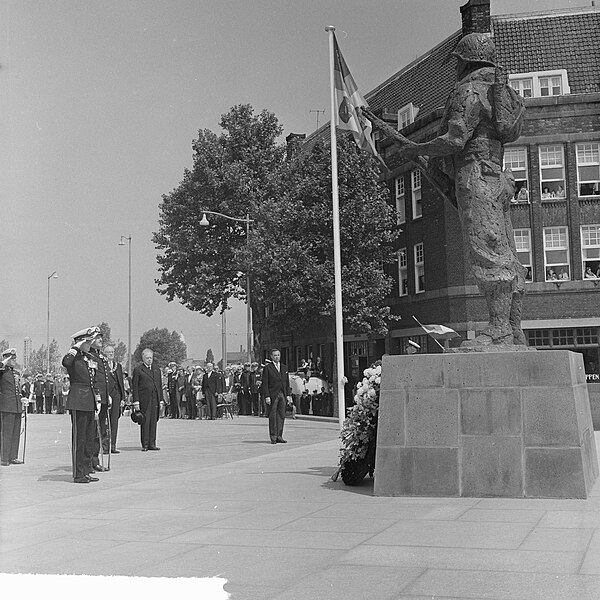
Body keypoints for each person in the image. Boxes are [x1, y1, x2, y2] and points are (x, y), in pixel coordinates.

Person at [363, 32, 526, 346]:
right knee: (506, 252)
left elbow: (455, 140)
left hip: (475, 175)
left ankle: (499, 329)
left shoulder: (468, 90)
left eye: (457, 63)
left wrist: (417, 148)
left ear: (464, 61)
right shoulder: (500, 90)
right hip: (498, 178)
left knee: (488, 253)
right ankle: (515, 330)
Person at [62, 326, 103, 483]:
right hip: (78, 401)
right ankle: (78, 473)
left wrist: (97, 399)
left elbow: (93, 380)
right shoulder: (74, 358)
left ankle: (86, 470)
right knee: (79, 439)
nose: (90, 344)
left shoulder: (88, 358)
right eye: (88, 342)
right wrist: (75, 348)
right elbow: (65, 362)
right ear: (81, 343)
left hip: (89, 400)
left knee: (88, 438)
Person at [131, 348, 162, 451]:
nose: (149, 360)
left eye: (151, 358)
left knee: (154, 421)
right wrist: (136, 401)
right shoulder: (138, 370)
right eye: (147, 358)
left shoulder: (156, 369)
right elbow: (135, 386)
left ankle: (152, 443)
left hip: (155, 399)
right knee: (145, 421)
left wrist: (161, 400)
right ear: (143, 358)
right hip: (144, 400)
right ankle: (145, 444)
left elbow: (159, 385)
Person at [261, 348, 292, 444]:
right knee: (273, 415)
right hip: (272, 394)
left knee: (281, 415)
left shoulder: (284, 367)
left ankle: (279, 435)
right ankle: (273, 436)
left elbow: (287, 382)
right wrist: (267, 396)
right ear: (271, 357)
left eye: (278, 355)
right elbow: (265, 383)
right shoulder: (268, 368)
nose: (277, 357)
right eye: (275, 355)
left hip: (282, 393)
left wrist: (288, 395)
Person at [0, 348, 24, 466]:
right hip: (6, 406)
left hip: (16, 405)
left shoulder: (16, 373)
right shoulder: (2, 371)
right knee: (6, 432)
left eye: (14, 358)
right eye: (11, 358)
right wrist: (4, 361)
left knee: (15, 432)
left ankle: (13, 456)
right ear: (6, 358)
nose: (14, 360)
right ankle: (4, 458)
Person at [104, 345, 125, 453]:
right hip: (106, 396)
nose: (111, 354)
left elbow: (121, 382)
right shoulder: (102, 365)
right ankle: (105, 446)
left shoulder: (118, 366)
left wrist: (122, 397)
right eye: (108, 352)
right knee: (105, 421)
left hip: (116, 396)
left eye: (112, 352)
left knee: (114, 421)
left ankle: (113, 445)